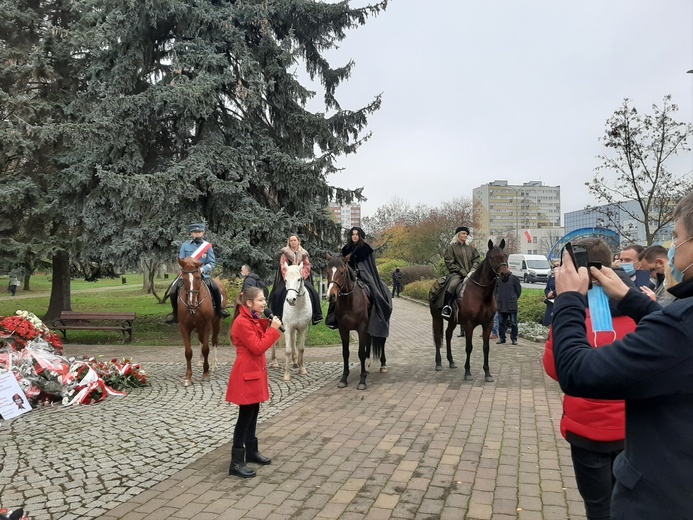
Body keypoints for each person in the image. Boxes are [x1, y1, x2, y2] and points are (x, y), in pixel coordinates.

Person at [550, 192, 693, 519]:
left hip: (660, 499)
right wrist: (632, 299)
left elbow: (573, 370)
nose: (673, 248)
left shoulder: (681, 326)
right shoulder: (676, 322)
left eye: (677, 237)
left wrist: (569, 299)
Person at [543, 238, 637, 520]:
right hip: (635, 430)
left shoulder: (570, 311)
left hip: (588, 432)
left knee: (598, 507)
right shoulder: (640, 304)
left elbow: (555, 368)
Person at [225, 286, 283, 478]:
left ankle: (251, 451)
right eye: (261, 300)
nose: (264, 303)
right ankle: (236, 462)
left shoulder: (251, 318)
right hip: (246, 374)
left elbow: (258, 340)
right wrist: (273, 330)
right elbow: (258, 347)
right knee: (244, 417)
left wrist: (267, 325)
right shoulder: (242, 322)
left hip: (255, 372)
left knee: (253, 413)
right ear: (249, 303)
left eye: (264, 299)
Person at [325, 227, 392, 336]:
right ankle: (333, 317)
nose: (355, 236)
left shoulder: (365, 248)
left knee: (373, 289)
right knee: (337, 290)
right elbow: (342, 265)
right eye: (353, 234)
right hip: (349, 275)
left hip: (364, 273)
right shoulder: (346, 248)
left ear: (360, 236)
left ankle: (377, 312)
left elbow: (369, 265)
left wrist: (359, 271)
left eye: (357, 234)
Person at [166, 223, 230, 324]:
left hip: (203, 275)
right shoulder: (185, 245)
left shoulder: (207, 246)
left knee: (216, 288)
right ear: (192, 233)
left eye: (199, 232)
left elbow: (212, 263)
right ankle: (175, 314)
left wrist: (203, 269)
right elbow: (181, 260)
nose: (197, 234)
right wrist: (184, 268)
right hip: (187, 275)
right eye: (195, 232)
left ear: (203, 233)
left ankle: (219, 310)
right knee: (173, 290)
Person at [268, 235, 323, 325]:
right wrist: (289, 277)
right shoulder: (285, 253)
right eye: (291, 241)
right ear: (289, 242)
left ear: (298, 242)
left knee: (313, 292)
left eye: (294, 240)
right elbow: (283, 266)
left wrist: (301, 276)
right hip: (288, 278)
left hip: (301, 278)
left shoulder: (304, 254)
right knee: (277, 293)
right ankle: (277, 314)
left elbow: (307, 266)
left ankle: (316, 315)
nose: (293, 242)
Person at [441, 226, 480, 319]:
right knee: (452, 285)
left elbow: (477, 259)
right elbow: (449, 263)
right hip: (457, 274)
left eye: (466, 234)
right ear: (458, 235)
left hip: (472, 273)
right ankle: (447, 307)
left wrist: (473, 269)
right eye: (463, 233)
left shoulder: (471, 247)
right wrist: (462, 272)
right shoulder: (451, 247)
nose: (465, 235)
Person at [495, 273, 522, 345]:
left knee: (513, 323)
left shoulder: (514, 278)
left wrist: (514, 298)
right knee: (501, 322)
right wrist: (497, 299)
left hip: (511, 304)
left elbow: (518, 290)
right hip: (501, 304)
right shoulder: (498, 279)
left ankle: (514, 338)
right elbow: (495, 291)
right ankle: (502, 338)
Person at [543, 259, 560, 326]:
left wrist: (553, 292)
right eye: (554, 266)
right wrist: (548, 294)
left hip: (559, 301)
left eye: (558, 266)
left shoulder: (565, 277)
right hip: (550, 302)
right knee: (548, 322)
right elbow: (546, 288)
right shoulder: (551, 277)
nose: (556, 268)